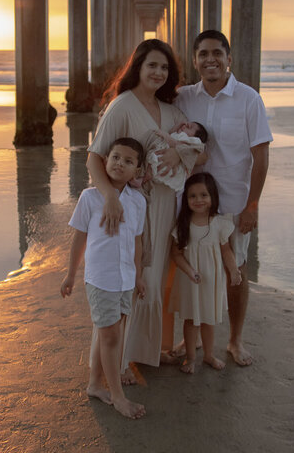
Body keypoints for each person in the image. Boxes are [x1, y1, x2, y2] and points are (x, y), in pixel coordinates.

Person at [86, 39, 201, 370]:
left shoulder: (173, 112)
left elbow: (200, 150)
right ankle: (120, 362)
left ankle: (143, 353)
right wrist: (110, 196)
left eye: (165, 67)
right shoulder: (122, 106)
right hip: (130, 209)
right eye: (152, 65)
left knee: (153, 282)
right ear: (138, 67)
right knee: (132, 282)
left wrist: (179, 151)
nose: (159, 72)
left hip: (165, 207)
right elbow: (95, 157)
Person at [175, 30, 273, 366]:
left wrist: (253, 204)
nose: (210, 59)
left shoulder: (248, 99)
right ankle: (193, 337)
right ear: (194, 60)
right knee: (192, 268)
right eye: (203, 54)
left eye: (217, 53)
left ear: (229, 59)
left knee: (236, 270)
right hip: (191, 202)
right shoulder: (184, 97)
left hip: (233, 202)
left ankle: (234, 340)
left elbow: (260, 156)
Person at [60, 138, 147, 419]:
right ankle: (118, 397)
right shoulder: (90, 197)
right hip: (100, 278)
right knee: (110, 336)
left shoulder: (138, 201)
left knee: (109, 333)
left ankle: (95, 384)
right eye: (115, 157)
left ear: (138, 169)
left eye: (128, 160)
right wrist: (71, 274)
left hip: (126, 278)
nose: (120, 163)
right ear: (105, 160)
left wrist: (139, 276)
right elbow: (79, 239)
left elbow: (137, 242)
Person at [169, 173, 242, 374]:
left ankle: (209, 355)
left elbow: (226, 251)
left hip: (212, 280)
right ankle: (191, 357)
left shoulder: (219, 223)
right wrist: (190, 271)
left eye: (204, 195)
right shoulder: (183, 224)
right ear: (186, 199)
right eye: (192, 196)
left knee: (209, 319)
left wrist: (234, 270)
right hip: (190, 280)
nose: (198, 200)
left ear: (213, 197)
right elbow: (176, 254)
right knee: (191, 320)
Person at [144, 121, 207, 192]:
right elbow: (171, 134)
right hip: (167, 162)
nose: (184, 126)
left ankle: (149, 173)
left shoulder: (192, 142)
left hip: (175, 167)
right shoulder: (179, 135)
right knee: (156, 154)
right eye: (185, 125)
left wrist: (165, 136)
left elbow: (175, 143)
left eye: (189, 127)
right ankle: (148, 174)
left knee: (156, 155)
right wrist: (178, 125)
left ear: (196, 137)